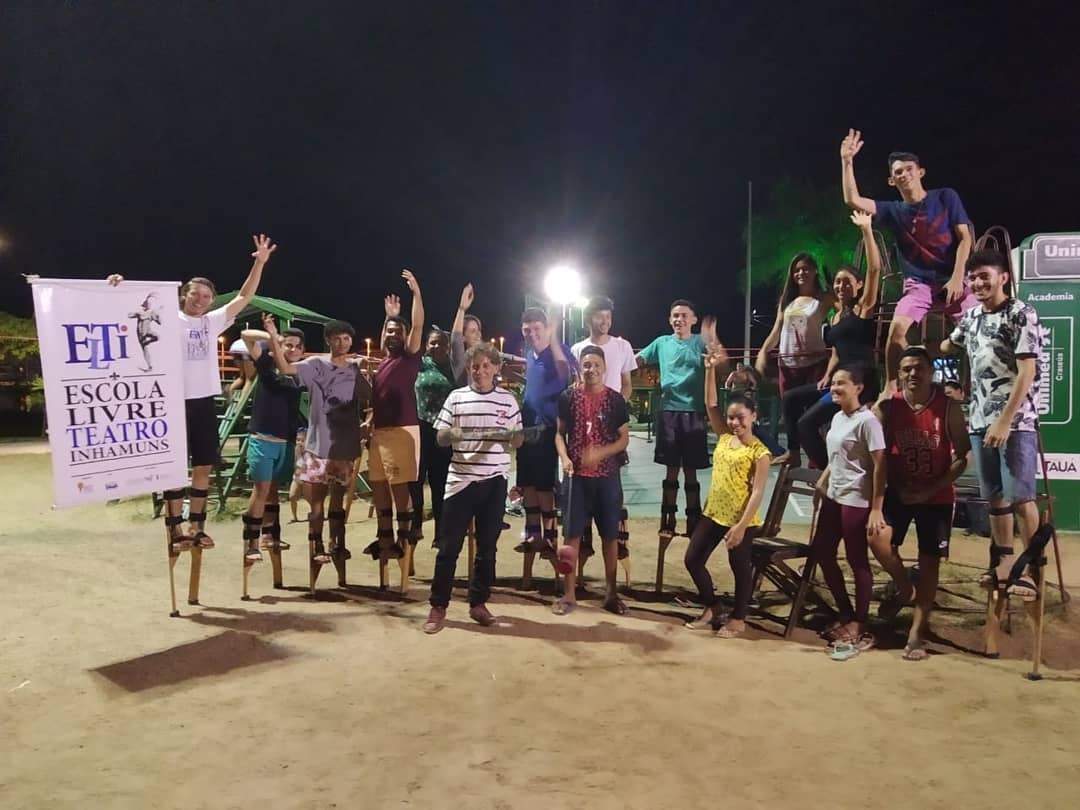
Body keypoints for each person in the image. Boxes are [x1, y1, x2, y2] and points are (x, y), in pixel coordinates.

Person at [107, 234, 276, 553]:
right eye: (195, 294)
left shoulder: (212, 322)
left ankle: (197, 527)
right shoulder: (167, 318)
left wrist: (260, 263)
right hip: (170, 401)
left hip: (202, 401)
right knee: (172, 466)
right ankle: (174, 529)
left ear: (212, 301)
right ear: (183, 295)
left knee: (203, 465)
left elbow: (244, 296)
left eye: (206, 296)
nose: (200, 300)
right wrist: (115, 286)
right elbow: (127, 310)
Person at [940, 249, 1044, 602]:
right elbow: (948, 345)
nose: (977, 283)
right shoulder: (971, 316)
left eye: (985, 275)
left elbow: (1027, 371)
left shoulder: (1021, 313)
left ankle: (1031, 571)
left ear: (1003, 277)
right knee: (995, 498)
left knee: (1021, 498)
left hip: (1015, 423)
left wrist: (1004, 421)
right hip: (979, 419)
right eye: (972, 277)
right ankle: (1005, 563)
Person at [841, 128, 976, 382]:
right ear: (892, 181)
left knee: (978, 334)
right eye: (898, 172)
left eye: (909, 169)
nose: (904, 174)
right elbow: (853, 200)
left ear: (920, 172)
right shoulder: (893, 210)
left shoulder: (945, 197)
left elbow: (965, 238)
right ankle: (892, 389)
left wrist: (958, 277)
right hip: (919, 285)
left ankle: (965, 386)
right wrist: (847, 161)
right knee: (896, 332)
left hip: (953, 279)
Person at [872, 347, 970, 661]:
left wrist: (931, 490)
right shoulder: (889, 407)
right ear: (899, 374)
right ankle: (904, 588)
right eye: (906, 369)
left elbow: (963, 457)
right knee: (877, 537)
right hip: (900, 491)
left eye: (919, 368)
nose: (913, 373)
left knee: (930, 564)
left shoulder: (948, 408)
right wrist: (898, 486)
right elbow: (876, 452)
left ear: (931, 373)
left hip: (936, 496)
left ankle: (917, 633)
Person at [424, 342, 524, 634]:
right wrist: (451, 434)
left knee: (487, 548)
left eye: (486, 366)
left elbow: (518, 440)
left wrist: (511, 436)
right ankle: (438, 606)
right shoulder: (456, 397)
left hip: (494, 482)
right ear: (469, 369)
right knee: (448, 549)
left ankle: (478, 603)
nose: (480, 371)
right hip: (460, 481)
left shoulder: (508, 400)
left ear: (496, 368)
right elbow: (440, 437)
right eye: (475, 366)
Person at [684, 320, 771, 639]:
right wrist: (709, 369)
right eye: (731, 417)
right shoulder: (723, 436)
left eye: (741, 418)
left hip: (740, 519)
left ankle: (739, 618)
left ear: (754, 417)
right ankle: (712, 606)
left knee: (739, 566)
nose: (734, 422)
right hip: (714, 512)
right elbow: (710, 404)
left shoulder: (760, 452)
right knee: (693, 560)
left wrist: (741, 527)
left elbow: (758, 492)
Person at [778, 210, 882, 468]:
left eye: (847, 282)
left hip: (861, 381)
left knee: (808, 422)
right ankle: (796, 454)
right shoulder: (835, 318)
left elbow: (874, 270)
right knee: (791, 400)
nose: (840, 286)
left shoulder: (863, 309)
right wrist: (827, 374)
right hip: (838, 379)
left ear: (858, 286)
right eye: (837, 282)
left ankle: (831, 470)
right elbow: (836, 351)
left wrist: (866, 231)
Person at [266, 316, 370, 568]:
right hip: (317, 447)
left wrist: (366, 371)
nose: (342, 343)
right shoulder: (315, 364)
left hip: (344, 447)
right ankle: (317, 545)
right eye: (337, 339)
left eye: (346, 338)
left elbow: (371, 397)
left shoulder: (354, 369)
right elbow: (286, 368)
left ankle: (337, 543)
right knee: (315, 504)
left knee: (338, 501)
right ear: (328, 341)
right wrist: (272, 337)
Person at [552, 345, 632, 616]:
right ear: (580, 367)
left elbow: (623, 438)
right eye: (587, 365)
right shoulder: (568, 397)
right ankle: (569, 595)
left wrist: (601, 452)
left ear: (605, 368)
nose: (592, 370)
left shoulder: (615, 400)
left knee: (610, 537)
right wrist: (565, 457)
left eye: (597, 365)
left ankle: (611, 594)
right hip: (576, 479)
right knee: (571, 536)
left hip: (607, 478)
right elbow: (559, 434)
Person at [811, 363, 886, 648]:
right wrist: (823, 481)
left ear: (859, 388)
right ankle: (845, 611)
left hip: (856, 499)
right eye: (833, 382)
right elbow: (835, 457)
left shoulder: (868, 421)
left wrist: (876, 508)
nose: (834, 387)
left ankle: (860, 621)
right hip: (834, 495)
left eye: (841, 383)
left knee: (857, 560)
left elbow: (880, 466)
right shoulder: (838, 417)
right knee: (823, 552)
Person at [570, 295, 636, 563]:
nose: (605, 321)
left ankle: (617, 539)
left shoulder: (622, 346)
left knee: (613, 488)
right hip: (584, 431)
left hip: (611, 430)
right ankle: (583, 539)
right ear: (588, 318)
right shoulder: (577, 349)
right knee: (583, 484)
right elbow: (575, 387)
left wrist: (614, 411)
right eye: (600, 316)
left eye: (609, 316)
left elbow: (627, 384)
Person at [366, 270, 426, 563]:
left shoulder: (409, 356)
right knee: (378, 484)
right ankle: (385, 538)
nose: (393, 335)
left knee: (399, 487)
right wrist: (389, 318)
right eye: (389, 331)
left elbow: (417, 325)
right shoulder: (383, 362)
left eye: (397, 331)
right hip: (380, 432)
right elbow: (386, 336)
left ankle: (404, 538)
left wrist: (416, 293)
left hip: (403, 430)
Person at [636, 299, 708, 538]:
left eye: (684, 315)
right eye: (675, 315)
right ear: (670, 319)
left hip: (695, 411)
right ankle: (668, 518)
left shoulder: (702, 342)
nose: (680, 319)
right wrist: (615, 362)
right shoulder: (662, 342)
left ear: (693, 319)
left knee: (691, 470)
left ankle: (693, 519)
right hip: (668, 411)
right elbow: (637, 360)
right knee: (671, 470)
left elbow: (720, 364)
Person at [238, 314, 306, 562]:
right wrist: (272, 336)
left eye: (297, 346)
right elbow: (245, 336)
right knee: (261, 489)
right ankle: (251, 542)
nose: (293, 349)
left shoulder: (300, 372)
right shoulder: (266, 362)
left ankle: (271, 534)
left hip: (285, 441)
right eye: (289, 345)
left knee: (274, 489)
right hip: (263, 437)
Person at [514, 306, 575, 562]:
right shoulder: (530, 355)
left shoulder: (559, 352)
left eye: (537, 329)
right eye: (527, 330)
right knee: (527, 482)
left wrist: (554, 336)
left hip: (547, 428)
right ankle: (532, 533)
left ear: (547, 329)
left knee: (544, 484)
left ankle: (550, 536)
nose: (532, 334)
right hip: (527, 427)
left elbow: (564, 373)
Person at [755, 253, 833, 397]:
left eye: (805, 269)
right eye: (797, 270)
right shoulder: (787, 301)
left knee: (812, 408)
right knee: (788, 407)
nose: (801, 273)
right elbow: (776, 331)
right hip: (787, 366)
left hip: (814, 364)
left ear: (815, 271)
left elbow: (844, 311)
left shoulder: (823, 298)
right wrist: (763, 352)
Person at [410, 327, 456, 549]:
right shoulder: (419, 364)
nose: (436, 346)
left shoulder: (454, 367)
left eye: (441, 343)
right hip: (420, 427)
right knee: (415, 479)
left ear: (448, 346)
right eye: (432, 343)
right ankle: (416, 524)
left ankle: (440, 532)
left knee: (440, 483)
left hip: (443, 432)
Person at [724, 361, 784, 458]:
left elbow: (754, 385)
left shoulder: (749, 399)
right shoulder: (734, 375)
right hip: (737, 398)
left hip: (751, 424)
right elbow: (727, 384)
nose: (739, 368)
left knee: (758, 431)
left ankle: (775, 450)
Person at [127, 293, 161, 372]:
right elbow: (129, 315)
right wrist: (136, 313)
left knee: (157, 336)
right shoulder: (140, 312)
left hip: (148, 331)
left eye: (150, 303)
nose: (149, 305)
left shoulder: (152, 312)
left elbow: (159, 322)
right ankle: (150, 366)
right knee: (145, 349)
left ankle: (148, 342)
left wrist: (158, 316)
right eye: (147, 303)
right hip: (141, 333)